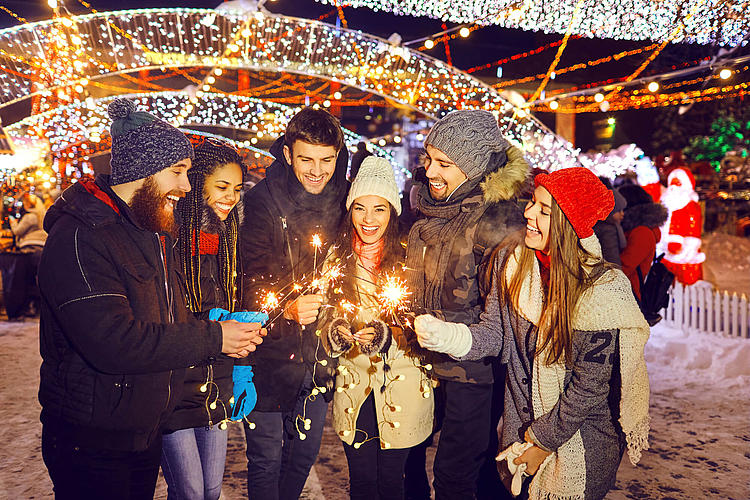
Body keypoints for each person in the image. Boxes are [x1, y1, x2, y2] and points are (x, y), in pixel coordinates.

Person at [37, 98, 265, 500]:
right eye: (177, 172)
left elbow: (169, 323)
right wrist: (215, 337)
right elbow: (112, 341)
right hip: (93, 441)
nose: (186, 186)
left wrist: (231, 339)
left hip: (142, 431)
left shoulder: (151, 232)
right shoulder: (80, 237)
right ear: (141, 172)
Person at [414, 167, 651, 500]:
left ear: (570, 225)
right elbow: (496, 333)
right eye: (531, 203)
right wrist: (451, 337)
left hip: (581, 443)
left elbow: (590, 386)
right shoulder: (514, 264)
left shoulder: (602, 289)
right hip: (518, 435)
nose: (528, 213)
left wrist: (541, 443)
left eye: (543, 210)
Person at [404, 109, 528, 500]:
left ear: (474, 168)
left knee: (456, 473)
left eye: (445, 163)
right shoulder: (429, 209)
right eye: (429, 159)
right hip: (421, 361)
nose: (430, 172)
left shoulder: (496, 221)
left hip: (472, 373)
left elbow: (506, 317)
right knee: (408, 459)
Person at [240, 106, 348, 499]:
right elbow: (249, 278)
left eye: (326, 160)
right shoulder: (262, 202)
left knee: (303, 455)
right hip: (267, 354)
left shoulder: (345, 199)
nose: (317, 171)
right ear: (287, 154)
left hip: (319, 356)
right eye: (306, 159)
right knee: (266, 458)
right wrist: (286, 307)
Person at [317, 156, 434, 499]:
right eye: (360, 208)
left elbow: (427, 322)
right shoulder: (337, 257)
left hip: (403, 386)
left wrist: (388, 337)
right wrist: (335, 330)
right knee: (364, 483)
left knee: (393, 482)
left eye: (379, 209)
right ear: (349, 209)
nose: (368, 220)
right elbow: (323, 314)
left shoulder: (413, 255)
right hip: (354, 386)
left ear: (393, 211)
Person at [160, 138, 247, 499]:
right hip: (174, 390)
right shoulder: (169, 239)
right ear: (196, 186)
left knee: (210, 490)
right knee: (191, 491)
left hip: (215, 384)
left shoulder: (224, 237)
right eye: (222, 187)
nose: (231, 197)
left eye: (238, 189)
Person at [618, 184, 669, 302]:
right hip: (621, 295)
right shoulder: (635, 230)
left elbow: (624, 268)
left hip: (626, 299)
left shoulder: (642, 233)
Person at [593, 177, 627, 266]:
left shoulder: (600, 226)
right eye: (618, 210)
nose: (622, 214)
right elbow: (612, 259)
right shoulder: (608, 229)